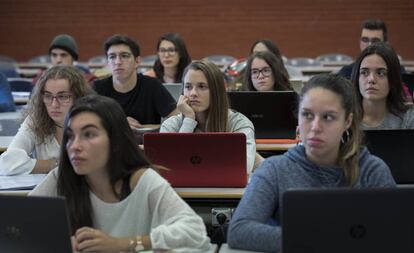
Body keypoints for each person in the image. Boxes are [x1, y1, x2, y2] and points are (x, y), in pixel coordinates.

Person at [227, 74, 396, 252]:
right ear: (297, 119)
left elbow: (398, 231)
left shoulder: (372, 170)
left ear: (347, 121)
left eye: (328, 117)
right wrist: (317, 239)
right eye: (307, 115)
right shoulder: (275, 170)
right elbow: (239, 230)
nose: (315, 126)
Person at [29, 94, 211, 252]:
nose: (75, 146)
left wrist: (121, 244)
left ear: (115, 140)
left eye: (89, 134)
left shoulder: (142, 180)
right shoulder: (61, 177)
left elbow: (195, 232)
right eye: (70, 136)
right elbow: (21, 221)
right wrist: (57, 242)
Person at [160, 60, 256, 174]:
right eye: (188, 87)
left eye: (202, 86)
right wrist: (189, 121)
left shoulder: (239, 124)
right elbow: (168, 168)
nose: (193, 93)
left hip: (225, 190)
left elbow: (244, 168)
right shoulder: (171, 125)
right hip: (183, 190)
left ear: (217, 92)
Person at [0, 65, 94, 175]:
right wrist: (56, 164)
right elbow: (6, 163)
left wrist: (38, 165)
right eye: (48, 96)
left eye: (63, 97)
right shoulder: (36, 119)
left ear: (79, 97)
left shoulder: (93, 121)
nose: (54, 104)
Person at [94, 34, 178, 130]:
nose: (117, 62)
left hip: (146, 144)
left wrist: (142, 128)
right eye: (112, 57)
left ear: (137, 61)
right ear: (107, 63)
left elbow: (178, 119)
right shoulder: (97, 89)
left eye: (124, 56)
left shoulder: (152, 85)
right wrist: (119, 123)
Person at [351, 42, 414, 129]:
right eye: (364, 72)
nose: (371, 79)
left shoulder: (408, 118)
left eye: (380, 73)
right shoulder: (344, 118)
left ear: (393, 79)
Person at [338, 19, 406, 79]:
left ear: (385, 44)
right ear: (359, 42)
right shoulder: (347, 72)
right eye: (365, 40)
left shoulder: (397, 71)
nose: (369, 45)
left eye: (375, 41)